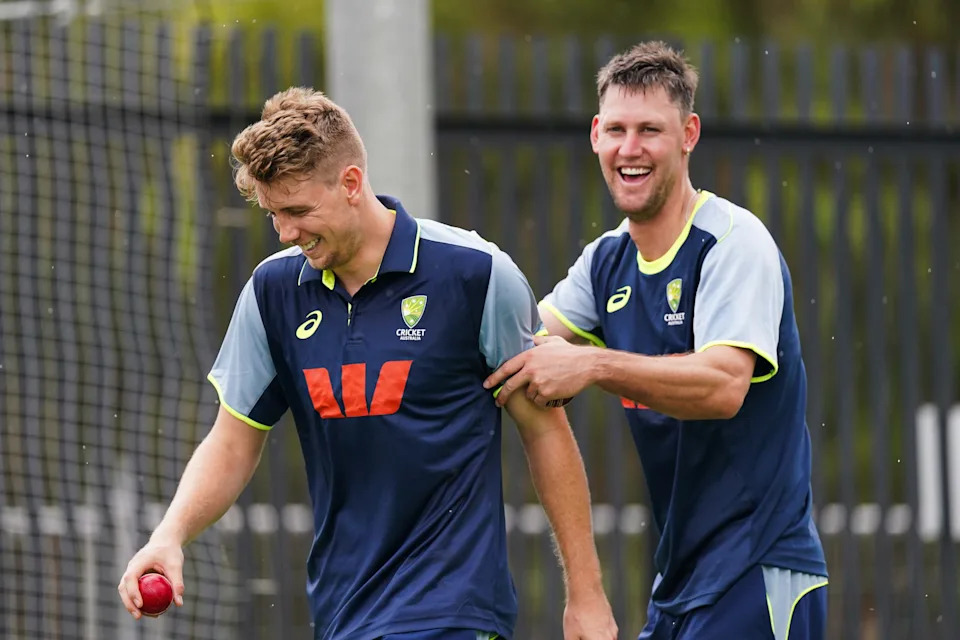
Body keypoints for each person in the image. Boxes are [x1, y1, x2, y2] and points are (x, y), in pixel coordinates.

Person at [117, 87, 618, 640]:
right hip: (344, 612)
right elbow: (233, 440)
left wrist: (586, 595)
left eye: (299, 211)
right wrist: (170, 534)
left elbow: (545, 432)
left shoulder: (475, 275)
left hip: (453, 609)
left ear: (351, 184)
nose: (285, 232)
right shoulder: (272, 292)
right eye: (273, 214)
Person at [484, 42, 828, 640]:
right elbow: (518, 351)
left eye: (651, 130)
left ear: (689, 133)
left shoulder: (732, 243)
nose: (630, 149)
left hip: (757, 569)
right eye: (616, 129)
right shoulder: (606, 261)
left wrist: (592, 365)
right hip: (679, 583)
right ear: (595, 135)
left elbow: (723, 386)